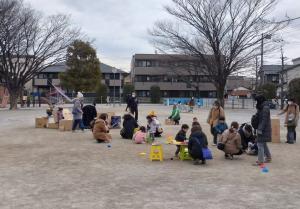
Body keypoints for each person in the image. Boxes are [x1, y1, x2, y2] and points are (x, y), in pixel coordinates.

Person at [254, 95, 272, 166]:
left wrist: (260, 129)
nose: (256, 102)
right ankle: (268, 157)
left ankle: (260, 161)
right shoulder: (262, 107)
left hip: (263, 129)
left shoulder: (265, 108)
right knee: (263, 143)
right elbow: (259, 117)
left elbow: (264, 120)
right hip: (262, 128)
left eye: (257, 101)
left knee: (260, 144)